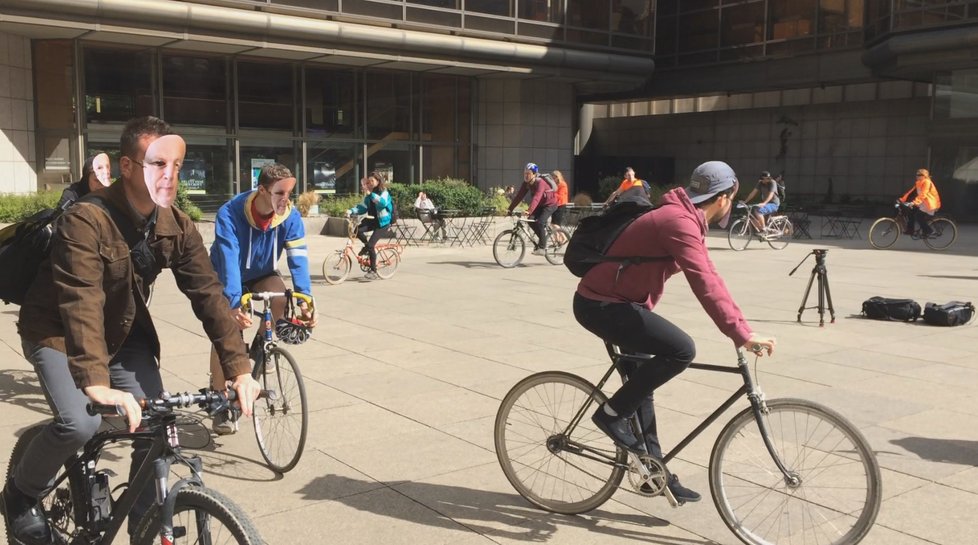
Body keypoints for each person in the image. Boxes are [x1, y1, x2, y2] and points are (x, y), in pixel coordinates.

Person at [1, 116, 262, 542]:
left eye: (177, 165)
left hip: (123, 332)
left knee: (157, 423)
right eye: (158, 163)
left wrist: (239, 367)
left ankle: (145, 522)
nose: (170, 174)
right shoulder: (85, 220)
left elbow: (209, 295)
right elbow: (81, 301)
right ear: (127, 167)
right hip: (57, 332)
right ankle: (19, 493)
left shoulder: (176, 224)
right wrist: (97, 382)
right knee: (78, 424)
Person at [574, 160, 776, 503]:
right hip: (602, 305)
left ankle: (656, 473)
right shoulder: (678, 221)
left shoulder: (686, 218)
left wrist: (742, 326)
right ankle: (609, 415)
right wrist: (741, 333)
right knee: (681, 349)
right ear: (726, 197)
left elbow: (709, 272)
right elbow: (704, 281)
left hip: (622, 303)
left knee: (642, 391)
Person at [208, 162, 317, 434]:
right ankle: (219, 399)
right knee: (228, 329)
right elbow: (229, 258)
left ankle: (261, 347)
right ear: (262, 190)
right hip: (226, 271)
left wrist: (305, 297)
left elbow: (298, 258)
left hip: (263, 271)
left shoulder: (289, 217)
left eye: (289, 193)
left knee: (281, 297)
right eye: (280, 193)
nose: (286, 199)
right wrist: (234, 302)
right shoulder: (230, 213)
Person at [345, 171, 393, 279]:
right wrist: (351, 211)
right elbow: (362, 207)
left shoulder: (384, 192)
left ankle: (373, 271)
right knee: (356, 230)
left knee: (371, 245)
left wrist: (370, 194)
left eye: (372, 181)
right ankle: (367, 246)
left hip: (383, 223)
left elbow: (382, 203)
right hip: (372, 220)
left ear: (378, 181)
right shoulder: (369, 195)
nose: (370, 183)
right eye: (369, 181)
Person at [506, 162, 558, 255]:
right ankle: (543, 240)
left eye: (528, 173)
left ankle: (542, 248)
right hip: (540, 205)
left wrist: (529, 210)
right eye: (525, 173)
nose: (526, 175)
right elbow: (519, 197)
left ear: (534, 174)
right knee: (530, 220)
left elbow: (537, 197)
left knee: (541, 222)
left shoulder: (540, 182)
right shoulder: (526, 183)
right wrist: (510, 209)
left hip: (550, 204)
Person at [900, 168, 941, 236]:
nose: (917, 176)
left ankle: (929, 231)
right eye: (916, 174)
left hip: (930, 203)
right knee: (911, 212)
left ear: (924, 176)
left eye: (919, 175)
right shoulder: (918, 183)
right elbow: (911, 192)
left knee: (918, 216)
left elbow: (923, 194)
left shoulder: (927, 182)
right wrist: (902, 199)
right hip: (923, 203)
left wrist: (914, 202)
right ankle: (910, 230)